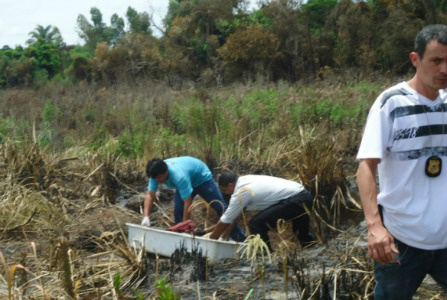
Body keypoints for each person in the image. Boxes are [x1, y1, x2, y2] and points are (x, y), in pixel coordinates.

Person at [356, 24, 447, 300]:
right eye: (436, 61)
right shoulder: (391, 103)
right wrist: (374, 227)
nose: (444, 69)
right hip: (401, 241)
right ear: (415, 59)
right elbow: (366, 167)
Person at [141, 156, 245, 242]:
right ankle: (179, 240)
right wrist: (146, 217)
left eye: (159, 178)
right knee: (178, 210)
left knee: (221, 209)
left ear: (165, 173)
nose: (157, 181)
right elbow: (150, 195)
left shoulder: (178, 176)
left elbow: (188, 201)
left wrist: (186, 224)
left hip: (202, 178)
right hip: (187, 177)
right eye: (155, 179)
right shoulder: (155, 174)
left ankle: (240, 239)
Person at [209, 171, 314, 250]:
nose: (226, 193)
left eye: (225, 190)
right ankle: (314, 252)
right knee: (303, 237)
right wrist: (222, 237)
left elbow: (225, 220)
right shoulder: (245, 180)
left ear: (231, 185)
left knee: (256, 224)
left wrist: (211, 241)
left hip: (295, 200)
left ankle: (266, 256)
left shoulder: (241, 192)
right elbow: (235, 217)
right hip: (304, 196)